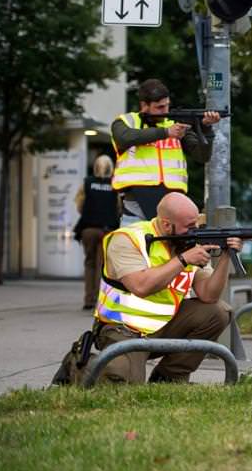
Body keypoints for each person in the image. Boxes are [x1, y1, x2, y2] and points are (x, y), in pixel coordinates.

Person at [90, 192, 240, 383]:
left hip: (164, 325)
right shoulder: (128, 239)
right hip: (123, 328)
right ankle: (78, 369)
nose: (194, 231)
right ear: (167, 225)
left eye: (195, 224)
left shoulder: (187, 243)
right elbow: (141, 286)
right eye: (189, 226)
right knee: (122, 385)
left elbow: (209, 295)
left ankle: (169, 377)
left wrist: (226, 257)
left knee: (218, 312)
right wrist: (183, 260)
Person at [111, 79, 220, 225]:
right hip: (136, 203)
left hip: (173, 205)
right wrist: (166, 132)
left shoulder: (174, 125)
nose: (166, 111)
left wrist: (206, 128)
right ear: (144, 105)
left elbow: (202, 156)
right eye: (160, 107)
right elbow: (124, 138)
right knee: (134, 247)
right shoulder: (126, 122)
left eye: (167, 105)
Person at [73, 155, 120, 311]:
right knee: (103, 266)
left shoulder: (87, 183)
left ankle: (88, 300)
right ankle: (101, 300)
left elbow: (79, 205)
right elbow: (119, 209)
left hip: (89, 229)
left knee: (90, 263)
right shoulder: (115, 184)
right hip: (108, 231)